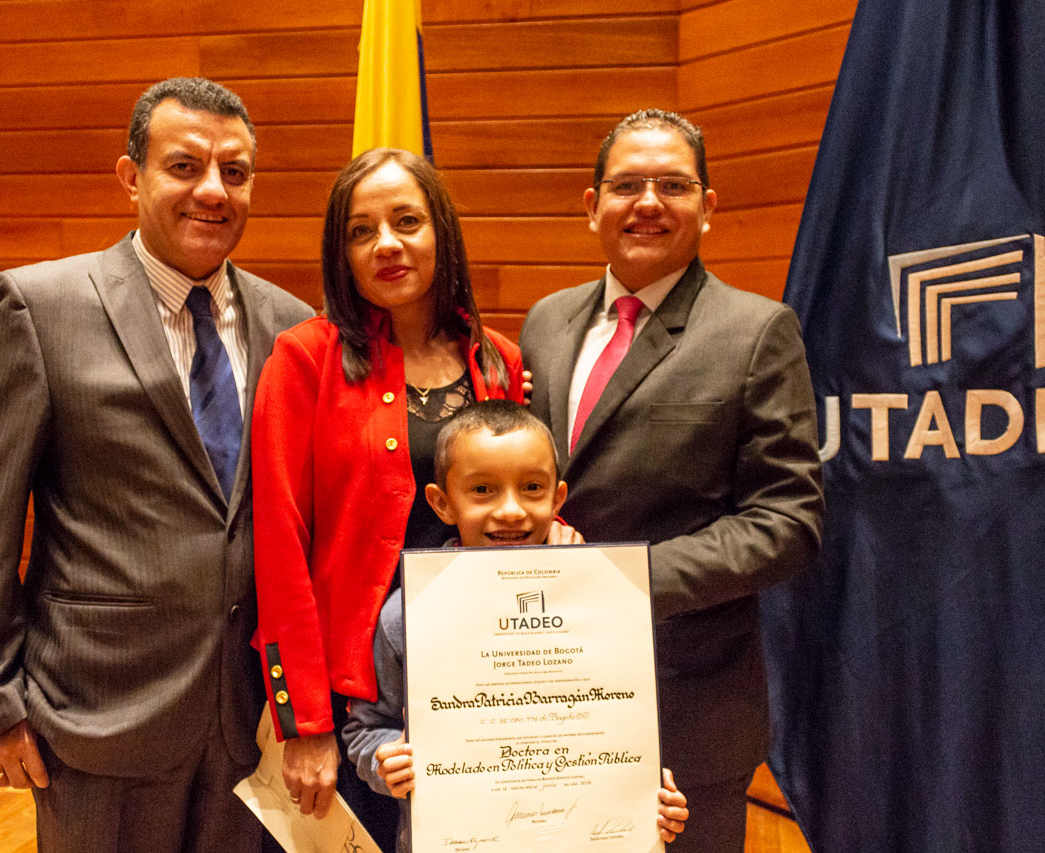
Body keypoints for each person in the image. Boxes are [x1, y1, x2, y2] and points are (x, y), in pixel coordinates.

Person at [0, 77, 313, 852]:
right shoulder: (41, 308)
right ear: (130, 176)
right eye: (184, 166)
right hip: (97, 717)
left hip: (249, 718)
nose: (213, 190)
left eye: (235, 173)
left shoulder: (294, 325)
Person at [517, 108, 824, 853]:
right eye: (626, 184)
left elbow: (789, 521)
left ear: (707, 206)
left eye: (672, 184)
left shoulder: (757, 331)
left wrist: (623, 577)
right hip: (540, 701)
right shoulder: (545, 322)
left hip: (684, 707)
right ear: (592, 205)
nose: (648, 202)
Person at [250, 148, 525, 845]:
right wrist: (303, 722)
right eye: (361, 230)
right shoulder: (303, 358)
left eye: (407, 221)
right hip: (353, 700)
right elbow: (279, 546)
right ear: (340, 251)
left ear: (443, 233)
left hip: (479, 676)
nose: (387, 245)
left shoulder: (497, 359)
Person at [342, 400, 689, 852]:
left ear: (557, 498)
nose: (510, 511)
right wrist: (385, 760)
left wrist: (646, 798)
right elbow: (365, 730)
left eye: (531, 487)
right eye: (483, 489)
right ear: (442, 503)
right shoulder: (408, 613)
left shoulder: (608, 605)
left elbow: (625, 723)